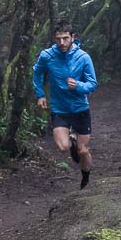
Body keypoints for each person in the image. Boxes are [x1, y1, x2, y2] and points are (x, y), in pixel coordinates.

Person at [32, 20, 98, 189]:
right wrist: (40, 94)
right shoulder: (47, 55)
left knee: (83, 151)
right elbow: (37, 73)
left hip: (80, 109)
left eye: (65, 38)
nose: (62, 43)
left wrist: (78, 85)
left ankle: (85, 179)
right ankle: (71, 140)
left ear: (73, 37)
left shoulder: (83, 57)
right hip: (59, 109)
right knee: (63, 147)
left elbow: (92, 83)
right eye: (58, 39)